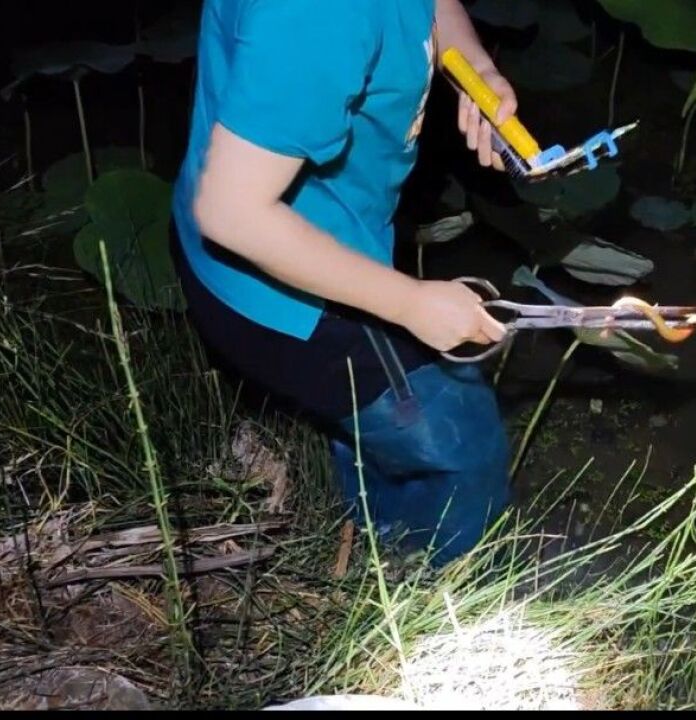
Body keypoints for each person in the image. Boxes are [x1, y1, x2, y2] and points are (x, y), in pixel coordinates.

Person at [169, 0, 518, 566]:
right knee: (457, 439)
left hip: (313, 231)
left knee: (373, 418)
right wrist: (408, 301)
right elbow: (231, 213)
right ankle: (439, 597)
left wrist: (476, 68)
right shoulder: (323, 12)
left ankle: (369, 532)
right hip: (279, 284)